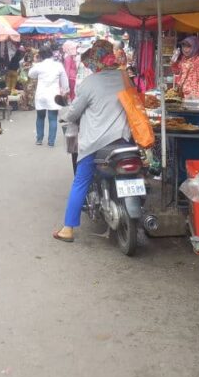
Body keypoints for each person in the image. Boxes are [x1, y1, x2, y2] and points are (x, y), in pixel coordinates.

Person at [53, 40, 132, 243]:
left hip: (96, 144)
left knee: (80, 181)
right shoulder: (125, 78)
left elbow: (74, 112)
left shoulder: (89, 83)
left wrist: (64, 115)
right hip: (124, 141)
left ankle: (68, 229)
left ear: (95, 60)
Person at [29, 46, 70, 147]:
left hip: (41, 95)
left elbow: (30, 75)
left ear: (40, 56)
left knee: (40, 117)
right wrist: (65, 90)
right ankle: (51, 142)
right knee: (52, 118)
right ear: (51, 53)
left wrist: (35, 62)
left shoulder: (39, 65)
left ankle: (39, 139)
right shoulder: (58, 65)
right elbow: (65, 82)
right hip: (53, 95)